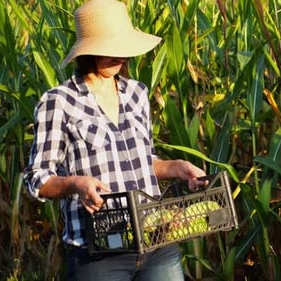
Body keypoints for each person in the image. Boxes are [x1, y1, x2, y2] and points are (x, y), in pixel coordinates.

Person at [23, 0, 207, 280]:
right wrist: (77, 183)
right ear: (87, 51)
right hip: (99, 252)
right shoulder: (58, 102)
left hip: (157, 240)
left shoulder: (137, 93)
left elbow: (143, 161)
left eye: (122, 48)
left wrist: (178, 168)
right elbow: (37, 179)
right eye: (109, 48)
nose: (118, 56)